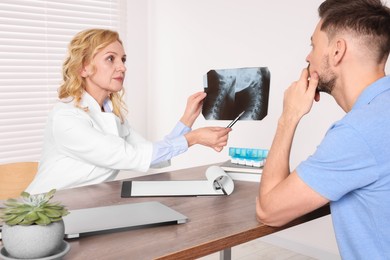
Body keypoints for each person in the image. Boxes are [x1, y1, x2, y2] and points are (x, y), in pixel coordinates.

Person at [255, 0, 390, 259]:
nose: (308, 57)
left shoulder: (357, 133)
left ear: (337, 51)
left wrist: (289, 116)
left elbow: (269, 211)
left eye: (313, 45)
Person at [26, 29, 231, 195]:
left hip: (84, 205)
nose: (122, 68)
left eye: (123, 60)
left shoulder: (110, 115)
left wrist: (187, 120)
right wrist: (192, 138)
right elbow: (130, 156)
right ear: (83, 68)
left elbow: (153, 157)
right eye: (110, 59)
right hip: (44, 211)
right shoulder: (66, 117)